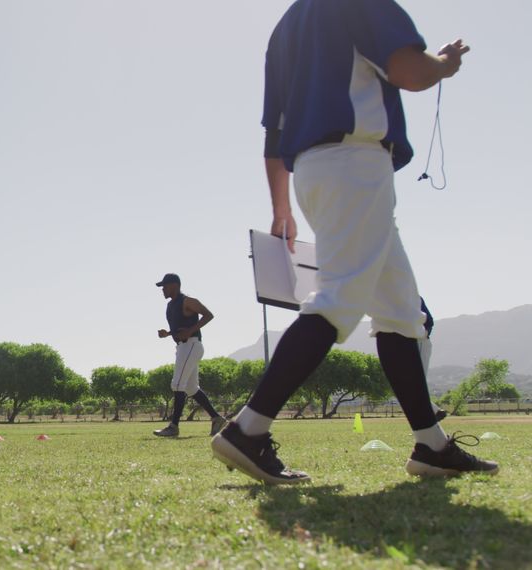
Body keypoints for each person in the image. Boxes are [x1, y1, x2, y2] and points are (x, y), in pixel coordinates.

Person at [212, 0, 497, 484]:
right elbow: (409, 70)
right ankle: (247, 428)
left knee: (403, 314)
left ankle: (432, 446)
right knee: (339, 299)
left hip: (316, 173)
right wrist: (446, 63)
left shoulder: (285, 28)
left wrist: (281, 207)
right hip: (355, 162)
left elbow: (274, 132)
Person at [152, 274, 226, 438]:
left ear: (174, 285)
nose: (162, 289)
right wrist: (168, 333)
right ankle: (217, 418)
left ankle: (173, 426)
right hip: (183, 347)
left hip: (192, 345)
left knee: (177, 384)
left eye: (165, 286)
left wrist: (191, 331)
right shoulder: (171, 305)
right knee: (191, 388)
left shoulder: (188, 301)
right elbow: (182, 326)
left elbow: (208, 314)